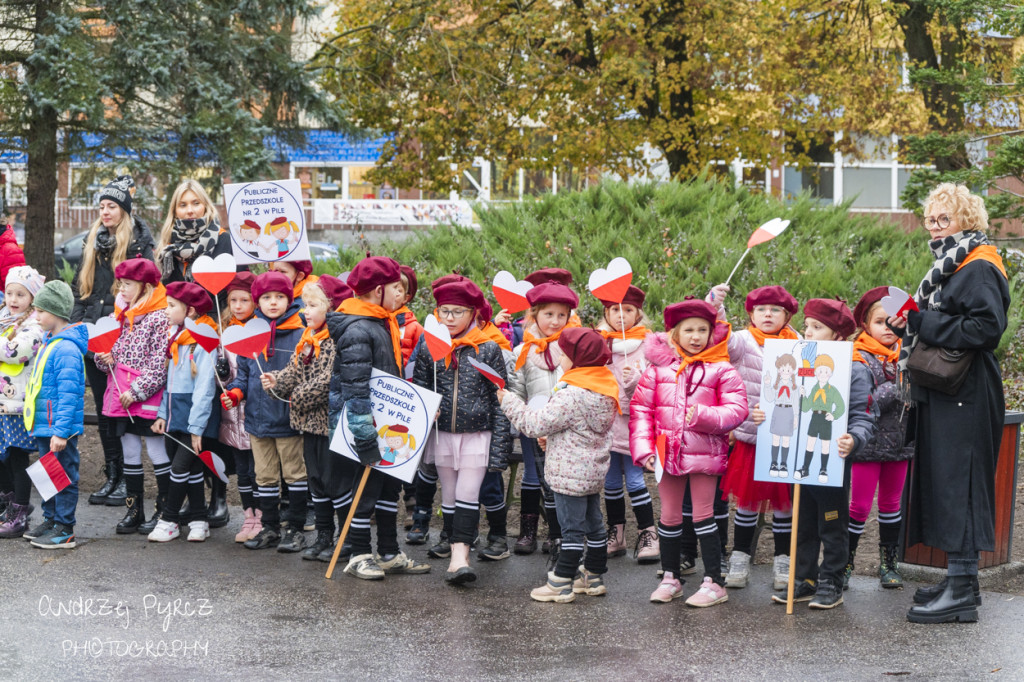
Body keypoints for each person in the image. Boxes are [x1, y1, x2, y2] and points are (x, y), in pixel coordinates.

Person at [894, 183, 1010, 625]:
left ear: (968, 221)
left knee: (959, 482)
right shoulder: (955, 262)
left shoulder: (979, 265)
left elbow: (986, 329)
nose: (936, 226)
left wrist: (922, 320)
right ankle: (962, 582)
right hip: (952, 389)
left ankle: (962, 590)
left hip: (968, 390)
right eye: (931, 219)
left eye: (946, 219)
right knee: (948, 480)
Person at [632, 298, 748, 606]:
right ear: (674, 334)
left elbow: (737, 410)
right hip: (666, 455)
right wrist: (645, 451)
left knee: (703, 516)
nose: (695, 336)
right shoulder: (657, 372)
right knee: (669, 516)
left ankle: (714, 582)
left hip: (705, 456)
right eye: (688, 330)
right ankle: (671, 576)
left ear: (711, 334)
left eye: (702, 330)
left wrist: (702, 416)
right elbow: (641, 410)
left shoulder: (722, 370)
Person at [326, 256, 429, 579]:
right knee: (364, 489)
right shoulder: (359, 327)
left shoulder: (380, 321)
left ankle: (387, 551)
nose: (400, 293)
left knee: (386, 489)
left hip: (383, 422)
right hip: (363, 425)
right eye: (396, 287)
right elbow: (355, 386)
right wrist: (365, 434)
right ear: (379, 289)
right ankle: (358, 554)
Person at [499, 327, 618, 603]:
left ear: (576, 359)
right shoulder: (605, 388)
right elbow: (579, 429)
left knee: (571, 529)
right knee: (594, 524)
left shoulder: (571, 394)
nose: (560, 357)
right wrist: (552, 440)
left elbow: (533, 424)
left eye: (563, 353)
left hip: (567, 474)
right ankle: (593, 575)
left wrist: (509, 401)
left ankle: (561, 581)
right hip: (591, 471)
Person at [769, 298, 874, 610]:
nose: (808, 332)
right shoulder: (798, 363)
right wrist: (766, 416)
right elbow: (780, 400)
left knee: (832, 524)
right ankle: (806, 578)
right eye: (807, 326)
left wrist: (853, 439)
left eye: (817, 327)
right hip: (799, 462)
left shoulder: (854, 369)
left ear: (838, 337)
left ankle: (832, 580)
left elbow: (862, 415)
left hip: (831, 464)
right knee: (802, 523)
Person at [412, 279, 511, 585]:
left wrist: (499, 449)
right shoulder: (430, 348)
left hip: (477, 435)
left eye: (457, 312)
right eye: (444, 311)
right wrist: (428, 410)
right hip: (442, 436)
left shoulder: (488, 348)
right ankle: (458, 554)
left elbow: (500, 400)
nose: (450, 318)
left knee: (469, 493)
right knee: (451, 494)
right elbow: (418, 391)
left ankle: (459, 558)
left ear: (473, 313)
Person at [156, 179, 237, 528]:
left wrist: (223, 333)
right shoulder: (167, 248)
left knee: (213, 420)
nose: (189, 210)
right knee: (186, 417)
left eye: (195, 203)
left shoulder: (222, 240)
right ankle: (196, 500)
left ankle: (219, 494)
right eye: (183, 205)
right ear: (175, 210)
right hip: (183, 340)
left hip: (217, 334)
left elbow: (237, 288)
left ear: (206, 206)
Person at [709, 284, 799, 591]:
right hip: (751, 436)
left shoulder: (798, 343)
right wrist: (716, 307)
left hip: (786, 439)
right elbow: (722, 336)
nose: (768, 315)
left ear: (787, 315)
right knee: (747, 505)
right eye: (761, 309)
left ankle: (784, 562)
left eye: (775, 310)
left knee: (785, 507)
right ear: (751, 314)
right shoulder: (743, 342)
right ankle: (740, 559)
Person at [72, 177, 154, 508]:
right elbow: (81, 290)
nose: (106, 212)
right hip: (94, 336)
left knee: (120, 408)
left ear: (124, 210)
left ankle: (128, 480)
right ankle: (113, 475)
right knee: (104, 412)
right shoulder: (93, 242)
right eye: (102, 206)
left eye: (112, 207)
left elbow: (145, 290)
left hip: (122, 338)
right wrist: (79, 327)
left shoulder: (137, 244)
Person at [222, 272, 308, 552]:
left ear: (289, 298)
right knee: (265, 477)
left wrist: (288, 388)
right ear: (258, 301)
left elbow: (306, 373)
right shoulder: (252, 331)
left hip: (288, 420)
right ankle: (269, 527)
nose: (273, 303)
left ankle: (294, 529)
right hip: (257, 421)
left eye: (280, 297)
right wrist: (235, 394)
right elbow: (244, 376)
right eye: (267, 298)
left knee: (294, 475)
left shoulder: (301, 331)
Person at [261, 281, 347, 562]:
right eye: (305, 306)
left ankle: (342, 540)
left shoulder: (335, 339)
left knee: (333, 481)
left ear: (330, 307)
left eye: (311, 306)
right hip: (309, 425)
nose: (304, 312)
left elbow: (327, 382)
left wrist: (295, 396)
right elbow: (295, 369)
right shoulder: (310, 337)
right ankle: (323, 535)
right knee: (316, 482)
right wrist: (277, 380)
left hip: (329, 426)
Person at [844, 287, 914, 589]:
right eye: (880, 322)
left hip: (900, 445)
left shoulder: (911, 355)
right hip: (867, 446)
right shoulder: (857, 358)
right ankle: (844, 563)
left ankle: (889, 563)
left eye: (894, 321)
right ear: (865, 325)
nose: (888, 328)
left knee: (891, 505)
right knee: (858, 507)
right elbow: (867, 401)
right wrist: (898, 384)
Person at [95, 257, 170, 535]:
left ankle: (164, 509)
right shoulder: (120, 314)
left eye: (128, 284)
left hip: (144, 395)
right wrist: (104, 359)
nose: (122, 289)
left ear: (145, 286)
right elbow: (110, 355)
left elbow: (160, 361)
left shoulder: (159, 317)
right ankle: (134, 508)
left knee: (155, 449)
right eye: (121, 284)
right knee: (129, 450)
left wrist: (137, 391)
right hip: (119, 394)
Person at [147, 282, 220, 542]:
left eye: (171, 306)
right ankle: (199, 518)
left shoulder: (203, 342)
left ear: (189, 311)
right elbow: (170, 382)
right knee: (192, 469)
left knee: (178, 468)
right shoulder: (177, 338)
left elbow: (204, 389)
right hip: (175, 415)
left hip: (195, 419)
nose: (165, 310)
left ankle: (169, 519)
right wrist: (163, 414)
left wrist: (197, 427)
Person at [510, 280, 577, 559]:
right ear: (534, 314)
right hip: (534, 425)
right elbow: (517, 389)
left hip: (565, 429)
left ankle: (557, 533)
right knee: (534, 475)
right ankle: (528, 531)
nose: (555, 320)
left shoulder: (574, 349)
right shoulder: (523, 352)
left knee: (558, 481)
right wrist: (521, 419)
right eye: (548, 314)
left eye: (562, 315)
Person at [22, 280, 88, 549]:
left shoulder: (67, 349)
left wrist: (61, 432)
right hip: (44, 425)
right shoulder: (51, 343)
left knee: (63, 475)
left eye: (40, 311)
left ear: (56, 312)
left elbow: (70, 394)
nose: (35, 316)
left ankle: (65, 528)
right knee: (47, 475)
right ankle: (50, 520)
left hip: (57, 428)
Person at [594, 285, 658, 563]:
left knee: (634, 480)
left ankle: (648, 533)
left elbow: (656, 387)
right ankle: (616, 533)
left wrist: (635, 383)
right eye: (615, 310)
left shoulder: (649, 345)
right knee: (610, 480)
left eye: (628, 310)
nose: (621, 316)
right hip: (608, 423)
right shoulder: (599, 343)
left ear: (638, 313)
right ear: (606, 314)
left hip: (635, 423)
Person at [0, 267, 46, 538]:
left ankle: (20, 510)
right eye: (9, 293)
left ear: (32, 297)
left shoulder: (34, 325)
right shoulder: (4, 319)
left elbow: (14, 351)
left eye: (21, 294)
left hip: (17, 404)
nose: (13, 299)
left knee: (17, 456)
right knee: (1, 456)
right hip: (1, 402)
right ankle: (8, 502)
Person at [215, 272, 261, 543]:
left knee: (259, 471)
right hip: (233, 415)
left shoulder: (259, 333)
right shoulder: (225, 335)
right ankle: (248, 517)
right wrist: (220, 373)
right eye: (233, 300)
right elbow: (225, 379)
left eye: (245, 299)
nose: (238, 305)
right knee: (242, 471)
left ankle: (263, 516)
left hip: (255, 414)